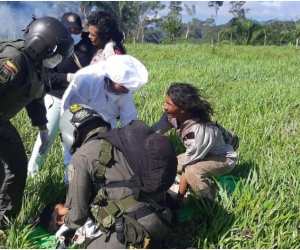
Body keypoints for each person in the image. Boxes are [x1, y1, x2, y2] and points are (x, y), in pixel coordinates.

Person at [55, 104, 174, 248]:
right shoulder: (122, 139)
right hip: (164, 215)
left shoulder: (81, 157)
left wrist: (67, 228)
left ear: (68, 132)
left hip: (136, 229)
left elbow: (78, 214)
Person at [0, 16, 73, 224]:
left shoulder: (37, 64)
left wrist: (43, 128)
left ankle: (4, 222)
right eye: (57, 55)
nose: (58, 60)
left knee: (17, 166)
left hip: (2, 121)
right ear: (42, 45)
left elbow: (35, 95)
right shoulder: (13, 60)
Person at [27, 12, 94, 177]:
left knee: (75, 140)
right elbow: (46, 75)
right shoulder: (52, 44)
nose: (74, 33)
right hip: (56, 97)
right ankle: (31, 173)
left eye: (76, 30)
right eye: (69, 30)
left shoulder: (88, 42)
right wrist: (67, 77)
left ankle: (70, 179)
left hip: (80, 99)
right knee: (46, 137)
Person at [61, 54, 148, 173]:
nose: (121, 93)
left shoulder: (125, 89)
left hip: (107, 121)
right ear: (108, 79)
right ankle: (70, 185)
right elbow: (71, 110)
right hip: (80, 121)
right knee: (75, 159)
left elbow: (129, 121)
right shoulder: (86, 81)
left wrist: (131, 149)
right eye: (116, 90)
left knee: (107, 157)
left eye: (125, 91)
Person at [152, 83, 239, 202]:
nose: (165, 107)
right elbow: (155, 131)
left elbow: (187, 166)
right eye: (166, 102)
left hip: (222, 159)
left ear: (183, 109)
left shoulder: (199, 132)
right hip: (202, 153)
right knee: (168, 163)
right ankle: (189, 187)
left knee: (192, 172)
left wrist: (178, 198)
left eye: (169, 104)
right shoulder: (172, 116)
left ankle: (208, 203)